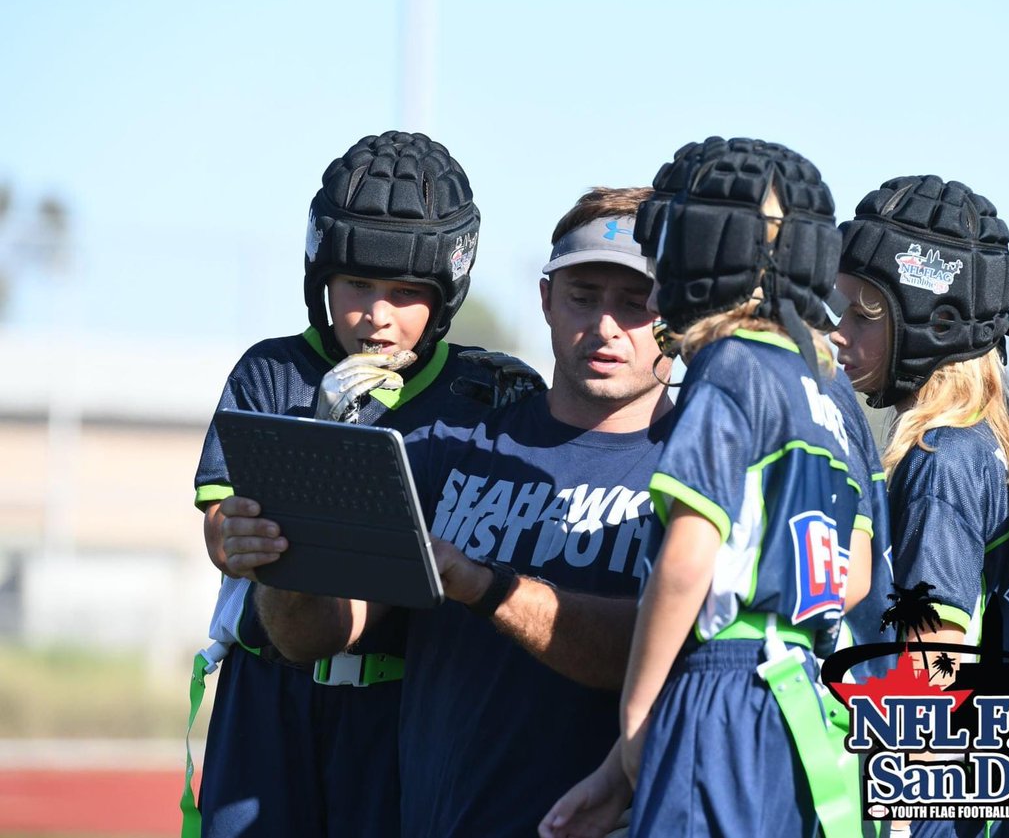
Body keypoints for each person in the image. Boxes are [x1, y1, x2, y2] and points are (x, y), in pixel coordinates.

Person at [223, 186, 675, 838]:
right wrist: (286, 555)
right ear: (546, 300)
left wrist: (486, 585)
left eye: (636, 302)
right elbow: (318, 633)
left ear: (681, 313)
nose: (605, 325)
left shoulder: (704, 466)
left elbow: (656, 650)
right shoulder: (445, 448)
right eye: (583, 296)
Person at [189, 131, 542, 838]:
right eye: (357, 284)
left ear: (447, 291)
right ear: (322, 275)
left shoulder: (485, 393)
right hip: (270, 700)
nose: (378, 313)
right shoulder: (272, 371)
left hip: (409, 710)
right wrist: (242, 528)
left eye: (406, 291)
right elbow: (220, 526)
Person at [544, 137, 873, 838]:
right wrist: (612, 774)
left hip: (719, 687)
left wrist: (637, 716)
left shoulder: (728, 368)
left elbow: (689, 559)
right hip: (799, 699)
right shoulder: (824, 389)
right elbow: (855, 576)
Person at [831, 174, 1009, 838]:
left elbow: (935, 658)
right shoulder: (989, 446)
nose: (839, 334)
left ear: (932, 326)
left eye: (861, 316)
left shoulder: (940, 459)